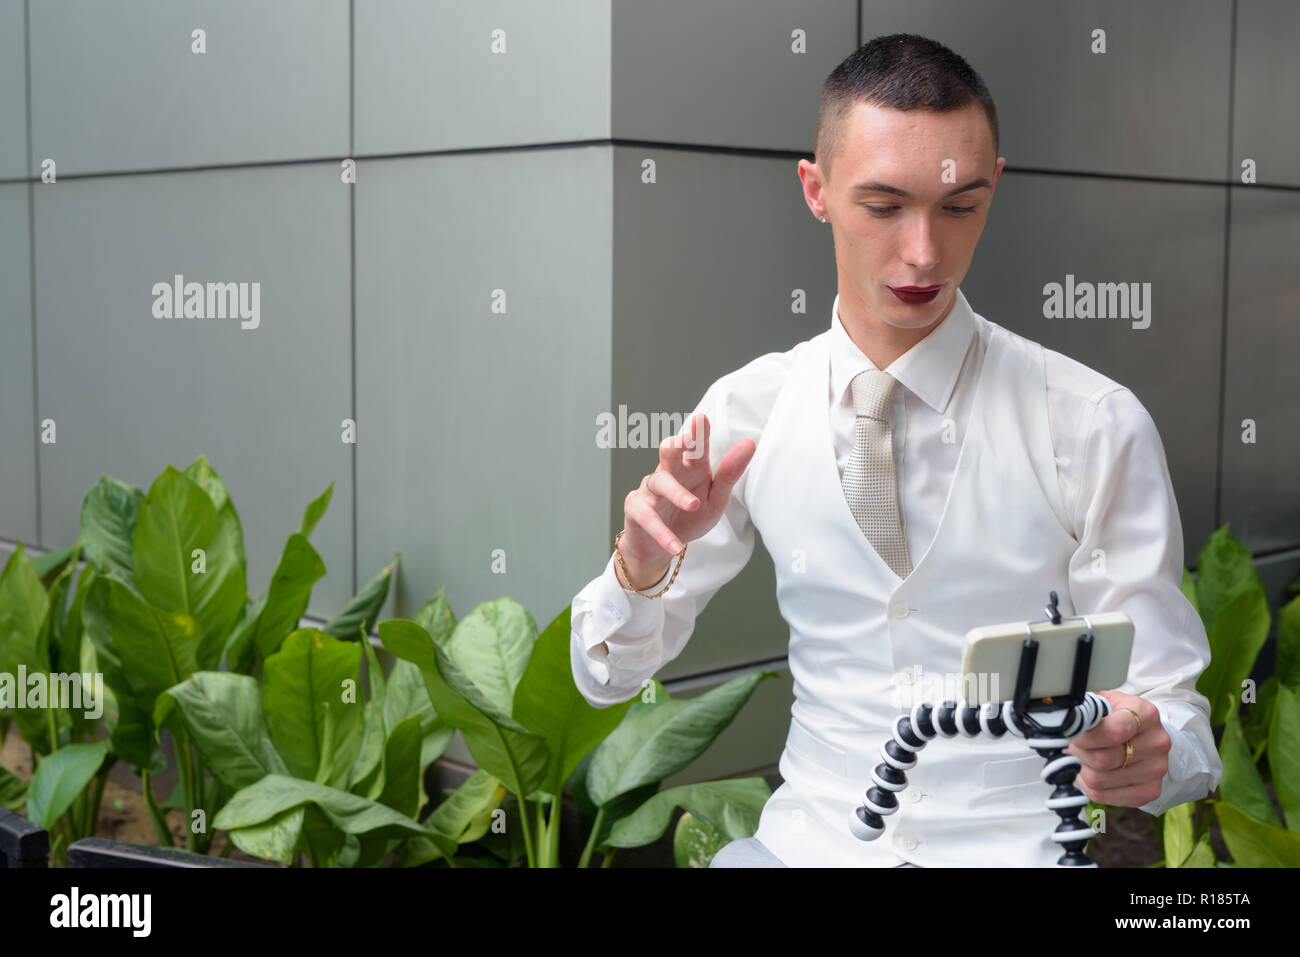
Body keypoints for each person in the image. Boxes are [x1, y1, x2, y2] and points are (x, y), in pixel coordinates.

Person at [569, 34, 1222, 867]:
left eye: (959, 206)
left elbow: (1178, 716)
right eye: (883, 206)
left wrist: (1151, 746)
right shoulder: (746, 411)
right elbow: (606, 679)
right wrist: (637, 567)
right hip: (807, 845)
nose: (923, 254)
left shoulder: (1093, 421)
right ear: (816, 189)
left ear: (995, 187)